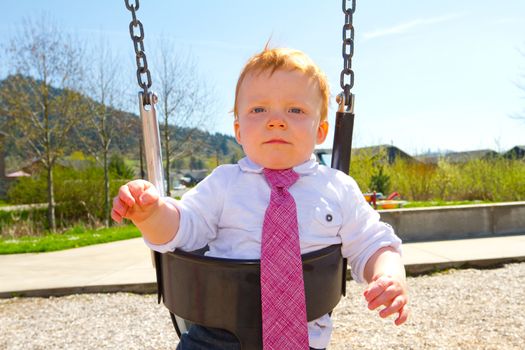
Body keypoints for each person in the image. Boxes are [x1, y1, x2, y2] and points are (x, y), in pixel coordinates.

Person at [111, 47, 409, 350]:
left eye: (295, 110)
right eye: (258, 110)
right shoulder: (224, 183)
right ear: (238, 130)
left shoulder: (338, 188)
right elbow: (183, 228)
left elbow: (373, 242)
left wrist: (388, 275)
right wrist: (151, 214)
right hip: (216, 336)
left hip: (304, 340)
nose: (276, 121)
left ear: (320, 131)